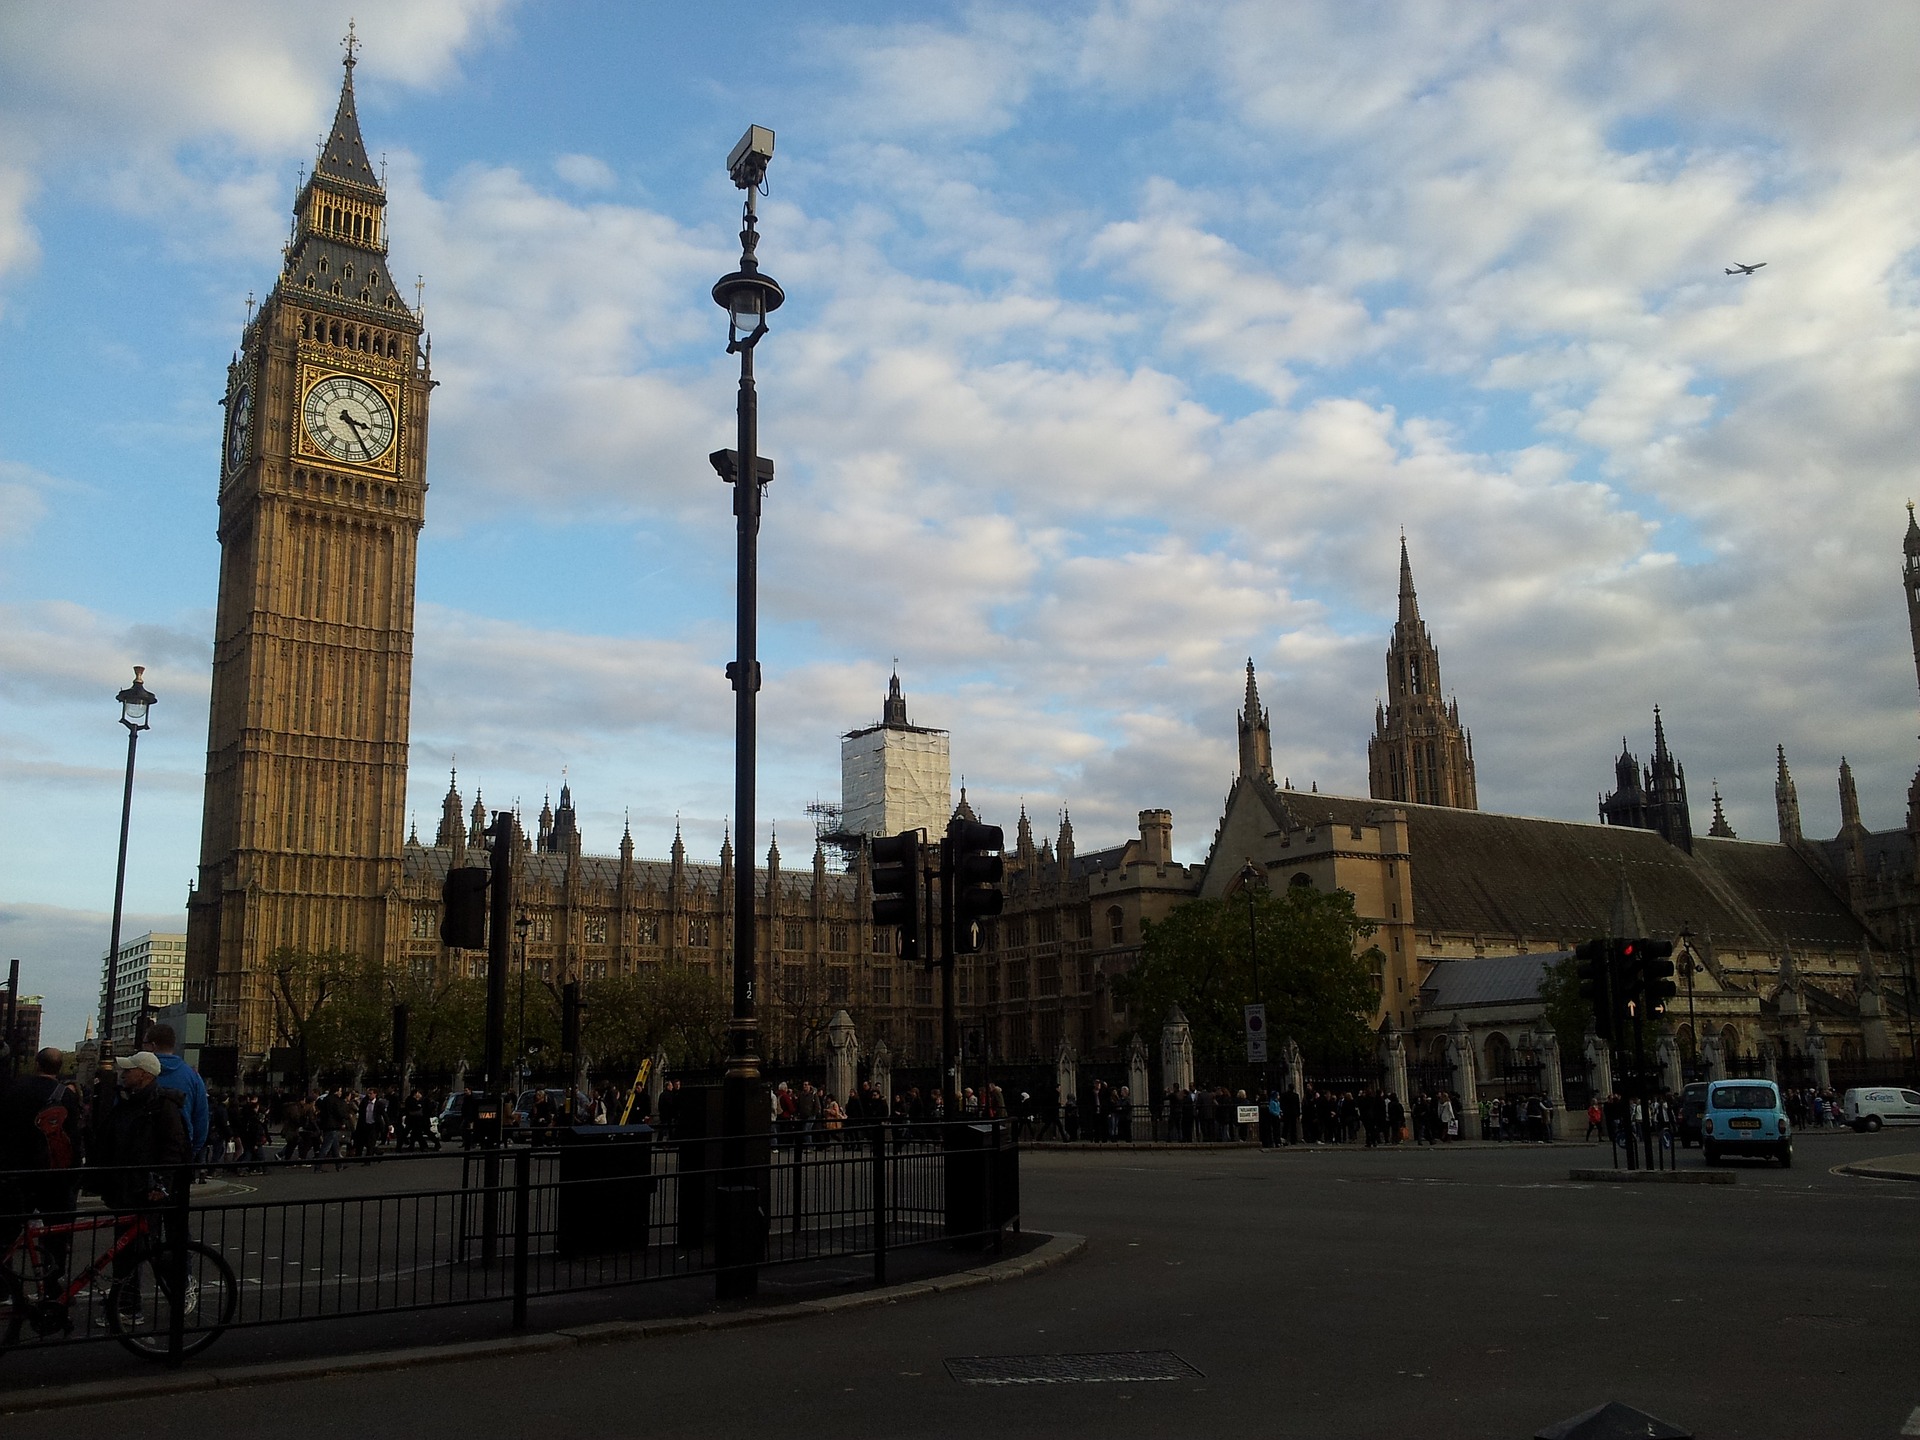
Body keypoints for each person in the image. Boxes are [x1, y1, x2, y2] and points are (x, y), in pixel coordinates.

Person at [91, 1051, 191, 1320]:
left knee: (141, 1249)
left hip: (144, 1190)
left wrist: (160, 1184)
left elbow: (173, 1148)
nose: (124, 1074)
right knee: (129, 1249)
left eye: (129, 1070)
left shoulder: (162, 1106)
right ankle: (125, 1300)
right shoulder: (128, 1102)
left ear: (145, 1075)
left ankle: (134, 1303)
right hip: (125, 1187)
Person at [0, 1047, 83, 1296]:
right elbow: (74, 1138)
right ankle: (51, 1285)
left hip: (18, 1173)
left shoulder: (16, 1090)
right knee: (56, 1233)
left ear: (37, 1063)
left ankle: (4, 1287)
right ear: (59, 1068)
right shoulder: (66, 1097)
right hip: (54, 1175)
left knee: (7, 1233)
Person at [144, 1024, 209, 1174]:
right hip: (180, 1153)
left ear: (152, 1045)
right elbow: (201, 1120)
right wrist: (190, 1151)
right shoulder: (192, 1076)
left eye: (144, 1043)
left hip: (142, 1154)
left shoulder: (139, 1073)